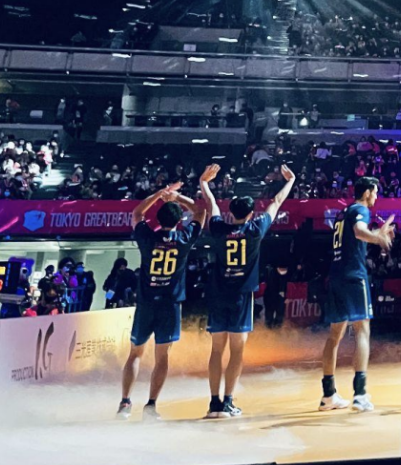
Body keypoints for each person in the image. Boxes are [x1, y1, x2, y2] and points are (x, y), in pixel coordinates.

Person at [199, 162, 296, 419]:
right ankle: (228, 402)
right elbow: (276, 202)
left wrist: (204, 183)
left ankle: (214, 403)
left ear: (230, 213)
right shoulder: (254, 230)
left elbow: (211, 204)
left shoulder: (219, 228)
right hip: (241, 297)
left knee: (216, 351)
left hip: (218, 294)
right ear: (251, 214)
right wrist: (290, 181)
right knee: (237, 351)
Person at [117, 169, 212, 420]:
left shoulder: (147, 237)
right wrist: (177, 197)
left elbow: (137, 213)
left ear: (157, 218)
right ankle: (150, 406)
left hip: (146, 302)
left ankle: (125, 403)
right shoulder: (183, 239)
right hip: (170, 305)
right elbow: (200, 212)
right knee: (162, 357)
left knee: (135, 353)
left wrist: (159, 194)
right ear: (179, 221)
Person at [320, 177, 396, 412]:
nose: (376, 197)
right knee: (362, 331)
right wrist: (378, 237)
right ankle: (360, 395)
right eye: (376, 192)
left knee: (334, 336)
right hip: (353, 276)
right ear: (367, 192)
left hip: (335, 276)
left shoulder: (342, 213)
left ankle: (328, 395)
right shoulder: (360, 210)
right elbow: (360, 231)